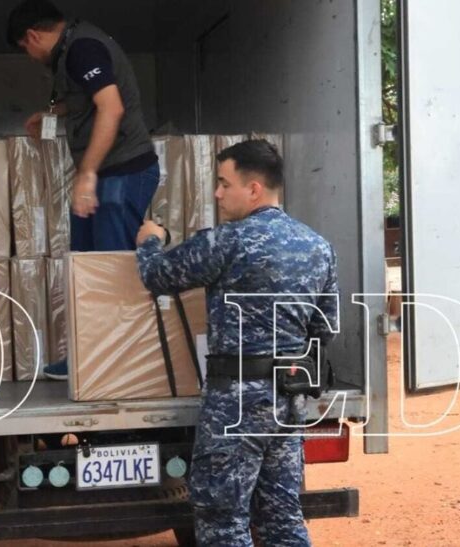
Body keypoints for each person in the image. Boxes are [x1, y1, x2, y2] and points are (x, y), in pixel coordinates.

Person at [136, 140, 338, 545]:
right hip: (288, 399)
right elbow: (325, 328)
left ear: (254, 189)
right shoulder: (318, 247)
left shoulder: (227, 241)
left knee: (222, 518)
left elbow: (158, 276)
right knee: (282, 516)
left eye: (224, 183)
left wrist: (150, 241)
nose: (217, 193)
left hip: (236, 404)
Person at [7, 0, 159, 379]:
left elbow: (111, 107)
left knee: (110, 270)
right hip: (106, 175)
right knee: (86, 266)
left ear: (32, 36)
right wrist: (52, 114)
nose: (30, 56)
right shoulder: (70, 50)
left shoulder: (83, 48)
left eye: (25, 48)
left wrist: (88, 172)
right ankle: (88, 357)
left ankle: (119, 367)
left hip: (122, 172)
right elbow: (86, 99)